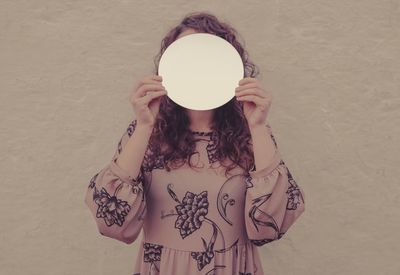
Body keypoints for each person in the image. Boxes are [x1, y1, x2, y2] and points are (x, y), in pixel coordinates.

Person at [84, 11, 305, 275]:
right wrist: (144, 125)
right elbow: (112, 222)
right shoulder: (148, 132)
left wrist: (257, 126)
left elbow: (273, 223)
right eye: (186, 60)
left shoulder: (252, 133)